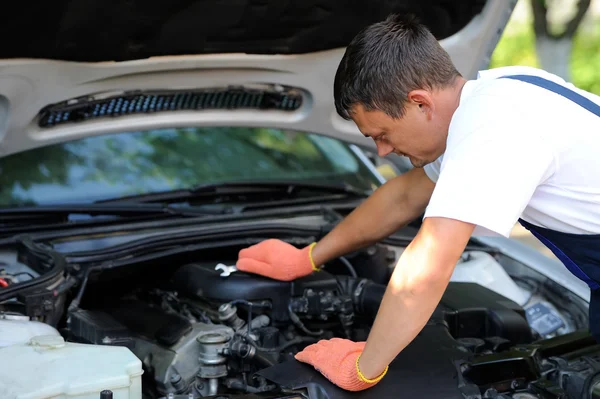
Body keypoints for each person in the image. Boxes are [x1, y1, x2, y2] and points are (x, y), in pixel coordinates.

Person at [235, 13, 600, 392]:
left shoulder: (493, 127)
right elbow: (403, 195)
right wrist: (309, 256)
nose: (382, 150)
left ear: (420, 103)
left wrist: (364, 366)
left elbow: (430, 260)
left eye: (382, 133)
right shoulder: (493, 95)